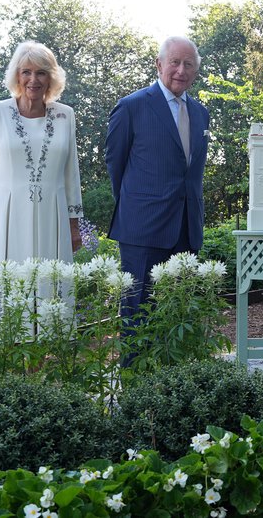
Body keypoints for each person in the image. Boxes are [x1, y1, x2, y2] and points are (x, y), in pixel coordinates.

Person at [105, 36, 210, 355]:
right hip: (143, 232)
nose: (181, 70)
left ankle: (173, 392)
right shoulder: (131, 107)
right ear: (159, 64)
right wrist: (138, 207)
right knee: (138, 318)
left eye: (188, 64)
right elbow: (116, 165)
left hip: (186, 231)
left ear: (195, 71)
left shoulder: (201, 113)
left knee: (179, 316)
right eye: (175, 62)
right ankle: (135, 396)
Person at [0, 41, 82, 265]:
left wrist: (74, 224)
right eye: (27, 72)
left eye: (41, 73)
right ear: (17, 75)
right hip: (4, 215)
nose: (33, 80)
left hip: (52, 216)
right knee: (9, 286)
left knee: (53, 285)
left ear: (51, 78)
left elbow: (71, 172)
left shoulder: (66, 115)